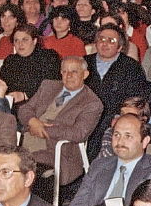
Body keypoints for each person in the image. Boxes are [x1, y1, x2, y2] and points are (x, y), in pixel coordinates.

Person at [15, 56, 104, 193]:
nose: (68, 76)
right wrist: (32, 121)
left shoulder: (92, 103)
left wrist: (42, 128)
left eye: (74, 71)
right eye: (65, 71)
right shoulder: (48, 86)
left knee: (22, 166)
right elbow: (24, 109)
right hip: (25, 139)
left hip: (57, 150)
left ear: (85, 74)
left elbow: (78, 133)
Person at [84, 25, 149, 158]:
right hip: (84, 116)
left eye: (111, 41)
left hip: (113, 117)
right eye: (101, 39)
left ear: (120, 47)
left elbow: (135, 99)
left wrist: (119, 117)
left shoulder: (130, 67)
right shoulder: (84, 63)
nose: (105, 43)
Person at [0, 24, 61, 107]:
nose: (20, 44)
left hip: (40, 106)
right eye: (16, 40)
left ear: (34, 41)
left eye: (25, 40)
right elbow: (2, 83)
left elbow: (52, 86)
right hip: (13, 107)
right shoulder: (10, 60)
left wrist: (24, 95)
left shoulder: (48, 57)